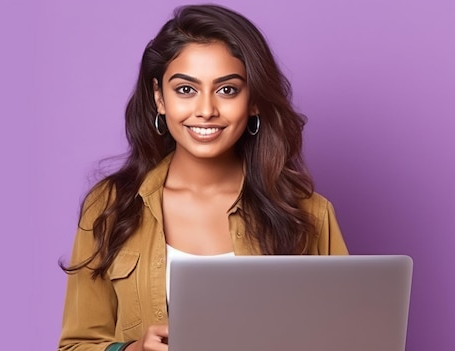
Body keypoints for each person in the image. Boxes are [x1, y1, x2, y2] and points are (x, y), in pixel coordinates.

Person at [58, 4, 349, 351]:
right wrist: (133, 349)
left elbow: (350, 338)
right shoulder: (110, 206)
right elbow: (75, 345)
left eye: (227, 90)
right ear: (159, 97)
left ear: (253, 100)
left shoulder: (308, 214)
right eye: (185, 89)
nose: (206, 110)